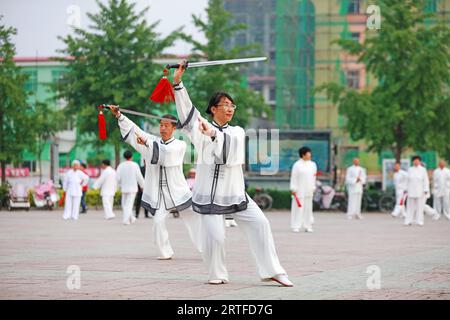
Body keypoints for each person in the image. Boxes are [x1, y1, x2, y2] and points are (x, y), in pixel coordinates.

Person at [172, 61, 293, 287]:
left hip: (235, 192)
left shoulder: (237, 132)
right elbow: (187, 111)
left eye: (232, 105)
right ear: (213, 109)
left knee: (261, 224)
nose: (229, 108)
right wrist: (178, 83)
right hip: (208, 195)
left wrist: (214, 135)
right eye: (225, 104)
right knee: (216, 238)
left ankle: (273, 270)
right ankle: (217, 273)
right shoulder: (200, 128)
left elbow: (229, 152)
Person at [110, 106, 202, 259]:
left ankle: (205, 248)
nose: (163, 128)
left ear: (174, 128)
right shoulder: (152, 141)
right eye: (161, 125)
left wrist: (146, 142)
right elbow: (135, 130)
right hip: (160, 194)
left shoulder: (180, 144)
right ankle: (165, 252)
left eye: (166, 125)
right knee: (158, 222)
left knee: (195, 219)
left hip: (178, 191)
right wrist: (119, 116)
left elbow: (167, 154)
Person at [290, 146, 317, 233]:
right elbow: (294, 177)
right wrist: (293, 188)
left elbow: (314, 177)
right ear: (303, 154)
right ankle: (296, 225)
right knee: (298, 208)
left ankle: (307, 225)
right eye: (308, 153)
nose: (310, 155)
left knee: (308, 208)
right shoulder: (297, 165)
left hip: (309, 190)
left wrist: (313, 187)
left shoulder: (313, 165)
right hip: (299, 190)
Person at [116, 150, 145, 225]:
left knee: (125, 204)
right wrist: (142, 186)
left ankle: (126, 220)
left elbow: (117, 178)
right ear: (131, 157)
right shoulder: (135, 165)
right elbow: (139, 177)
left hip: (124, 187)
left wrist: (118, 185)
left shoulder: (120, 165)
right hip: (132, 188)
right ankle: (132, 218)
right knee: (127, 205)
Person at [405, 156, 430, 226]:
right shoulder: (410, 169)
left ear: (419, 161)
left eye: (417, 160)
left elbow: (426, 180)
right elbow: (407, 180)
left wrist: (426, 189)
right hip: (411, 190)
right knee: (410, 207)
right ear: (413, 162)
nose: (416, 162)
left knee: (420, 207)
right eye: (414, 160)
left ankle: (419, 221)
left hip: (420, 191)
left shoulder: (423, 170)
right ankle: (408, 220)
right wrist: (406, 190)